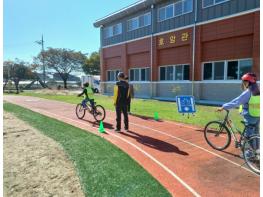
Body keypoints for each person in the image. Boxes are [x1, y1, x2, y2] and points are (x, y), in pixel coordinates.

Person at [217, 73, 260, 154]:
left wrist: (224, 107)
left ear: (248, 82)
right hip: (258, 115)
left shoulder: (248, 92)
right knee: (256, 133)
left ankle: (249, 153)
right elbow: (238, 99)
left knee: (249, 135)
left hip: (250, 116)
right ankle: (257, 149)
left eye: (244, 82)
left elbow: (237, 102)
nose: (243, 83)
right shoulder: (258, 90)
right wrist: (226, 105)